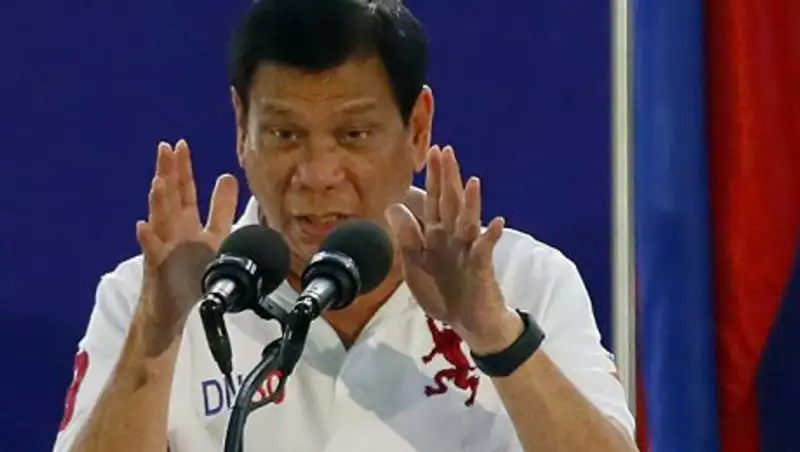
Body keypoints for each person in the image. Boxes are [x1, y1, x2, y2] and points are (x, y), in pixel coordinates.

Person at [52, 0, 637, 451]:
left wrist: (491, 331)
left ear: (417, 129)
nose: (317, 174)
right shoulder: (156, 298)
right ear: (241, 126)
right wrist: (157, 334)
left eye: (353, 135)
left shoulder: (523, 281)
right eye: (285, 134)